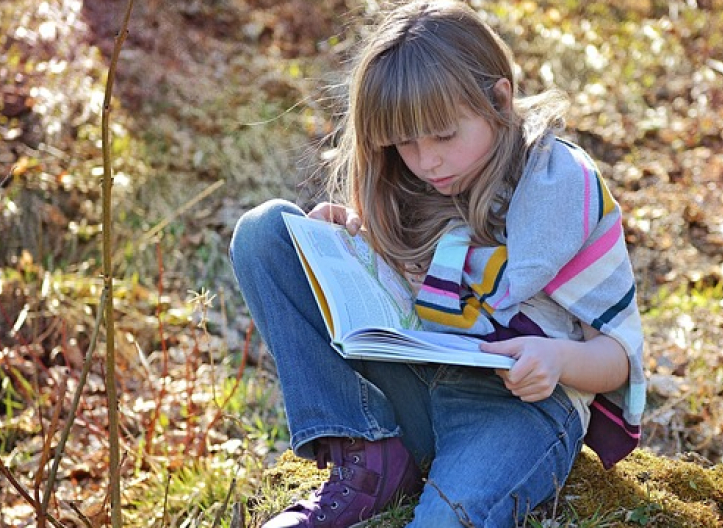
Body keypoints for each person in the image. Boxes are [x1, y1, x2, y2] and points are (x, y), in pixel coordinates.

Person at [229, 1, 646, 526]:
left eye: (445, 136)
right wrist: (348, 246)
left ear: (499, 99)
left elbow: (620, 356)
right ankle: (368, 455)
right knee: (266, 233)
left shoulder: (558, 190)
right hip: (414, 385)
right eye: (405, 142)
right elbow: (396, 310)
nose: (427, 161)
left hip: (516, 410)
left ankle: (436, 477)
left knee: (444, 520)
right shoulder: (410, 186)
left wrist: (559, 358)